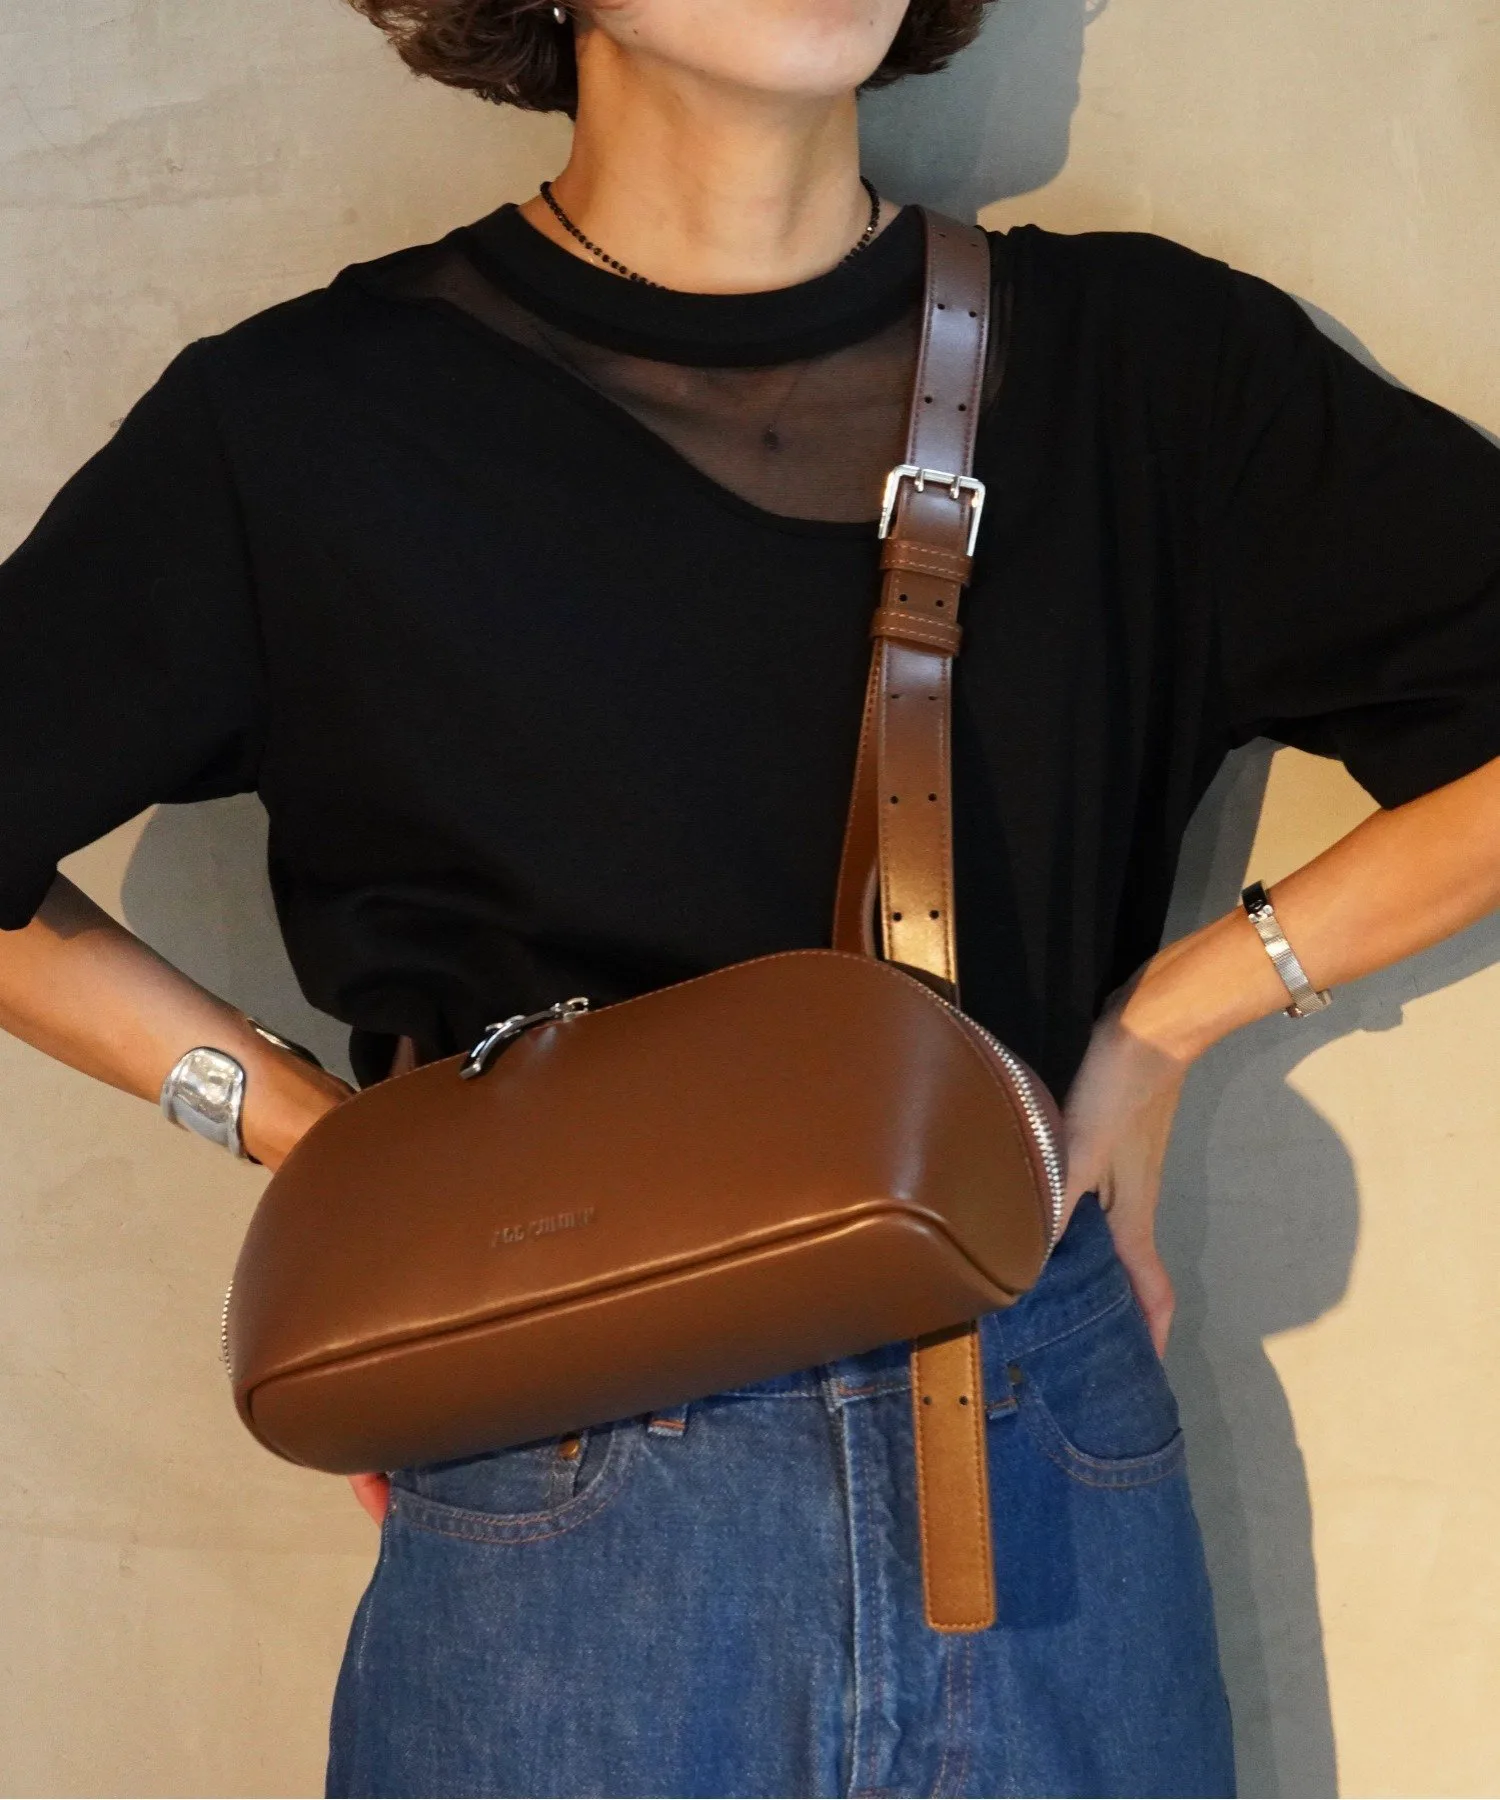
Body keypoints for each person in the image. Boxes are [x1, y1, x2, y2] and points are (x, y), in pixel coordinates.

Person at [3, 1, 1499, 1794]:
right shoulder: (302, 425)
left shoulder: (1150, 371)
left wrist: (1172, 1018)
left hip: (1038, 1439)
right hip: (569, 1483)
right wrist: (329, 1158)